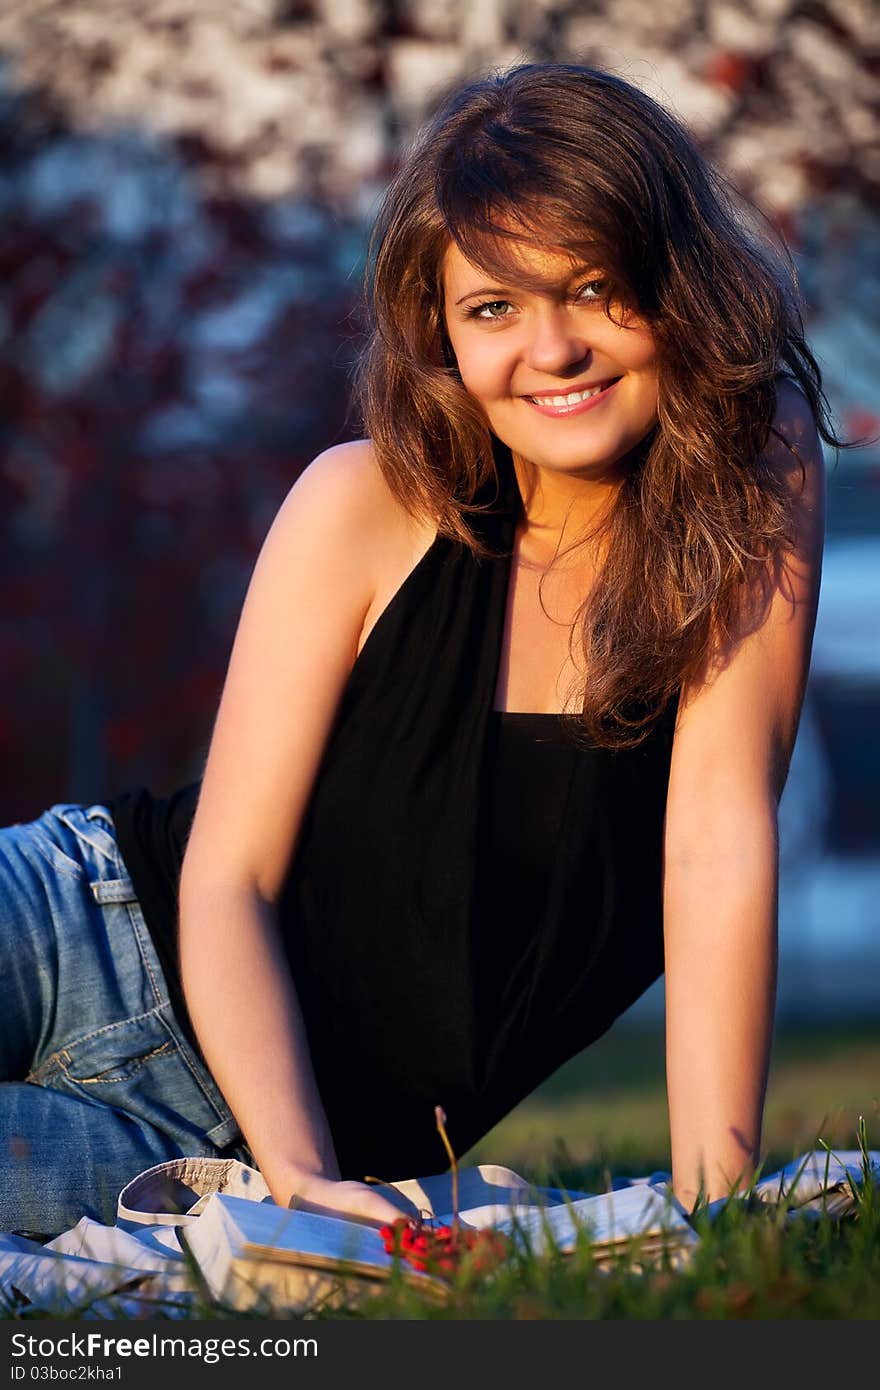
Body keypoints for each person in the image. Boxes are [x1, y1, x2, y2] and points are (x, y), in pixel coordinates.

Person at [1, 62, 833, 1241]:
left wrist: (713, 1203)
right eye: (493, 308)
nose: (551, 349)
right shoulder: (363, 502)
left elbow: (712, 842)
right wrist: (302, 1183)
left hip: (203, 1147)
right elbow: (227, 877)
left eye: (594, 289)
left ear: (675, 283)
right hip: (79, 918)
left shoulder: (755, 475)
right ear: (437, 329)